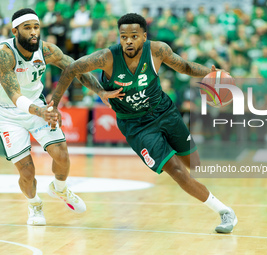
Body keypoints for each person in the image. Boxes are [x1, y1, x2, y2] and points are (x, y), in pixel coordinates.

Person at [51, 13, 237, 233]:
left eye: (134, 36)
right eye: (123, 36)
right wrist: (67, 100)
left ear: (144, 36)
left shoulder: (157, 50)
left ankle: (195, 179)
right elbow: (72, 68)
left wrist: (211, 73)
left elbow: (185, 67)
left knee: (194, 164)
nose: (128, 41)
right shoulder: (107, 57)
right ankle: (225, 212)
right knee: (176, 171)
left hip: (164, 112)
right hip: (136, 126)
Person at [0, 8, 123, 226]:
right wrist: (42, 111)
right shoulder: (4, 53)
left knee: (62, 155)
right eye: (27, 28)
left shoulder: (47, 50)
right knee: (27, 171)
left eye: (36, 27)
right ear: (15, 30)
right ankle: (34, 204)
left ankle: (60, 189)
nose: (33, 32)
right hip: (8, 113)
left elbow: (75, 68)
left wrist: (100, 91)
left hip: (36, 104)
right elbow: (15, 96)